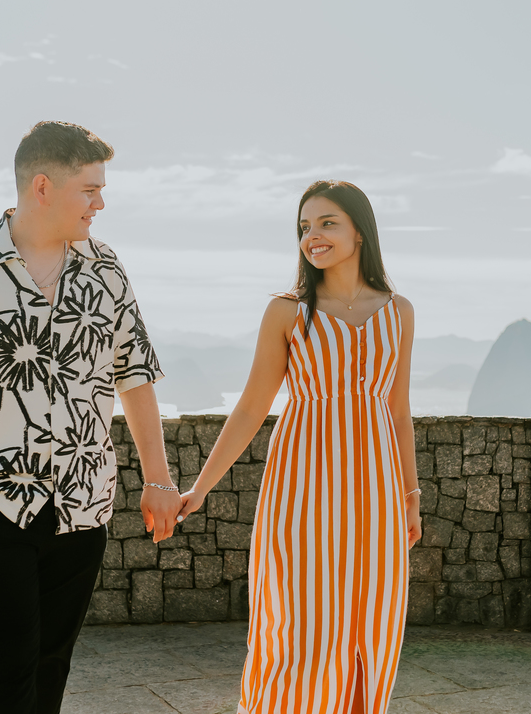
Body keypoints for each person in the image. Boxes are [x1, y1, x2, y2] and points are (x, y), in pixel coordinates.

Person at [0, 121, 181, 714]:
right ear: (43, 186)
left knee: (51, 660)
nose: (101, 203)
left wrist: (158, 480)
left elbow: (136, 377)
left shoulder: (107, 271)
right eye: (90, 190)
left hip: (84, 496)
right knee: (6, 659)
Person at [177, 180, 422, 714]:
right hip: (303, 492)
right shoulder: (288, 312)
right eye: (304, 227)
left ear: (360, 230)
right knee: (297, 627)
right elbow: (250, 407)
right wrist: (200, 487)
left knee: (370, 625)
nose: (313, 236)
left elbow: (397, 410)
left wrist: (411, 493)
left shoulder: (398, 311)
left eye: (327, 222)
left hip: (378, 496)